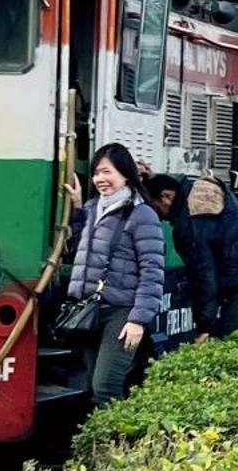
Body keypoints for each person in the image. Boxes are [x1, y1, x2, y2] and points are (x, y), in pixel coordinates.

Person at [64, 143, 166, 404]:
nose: (100, 179)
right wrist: (76, 209)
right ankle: (100, 443)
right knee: (89, 387)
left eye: (107, 172)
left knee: (105, 387)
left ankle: (115, 443)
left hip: (121, 312)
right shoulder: (90, 209)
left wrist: (138, 320)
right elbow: (81, 253)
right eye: (97, 173)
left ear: (125, 174)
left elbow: (152, 270)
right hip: (89, 311)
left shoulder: (142, 214)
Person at [172, 173, 238, 343]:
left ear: (166, 197)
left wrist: (204, 327)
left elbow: (205, 275)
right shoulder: (201, 192)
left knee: (233, 339)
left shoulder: (194, 215)